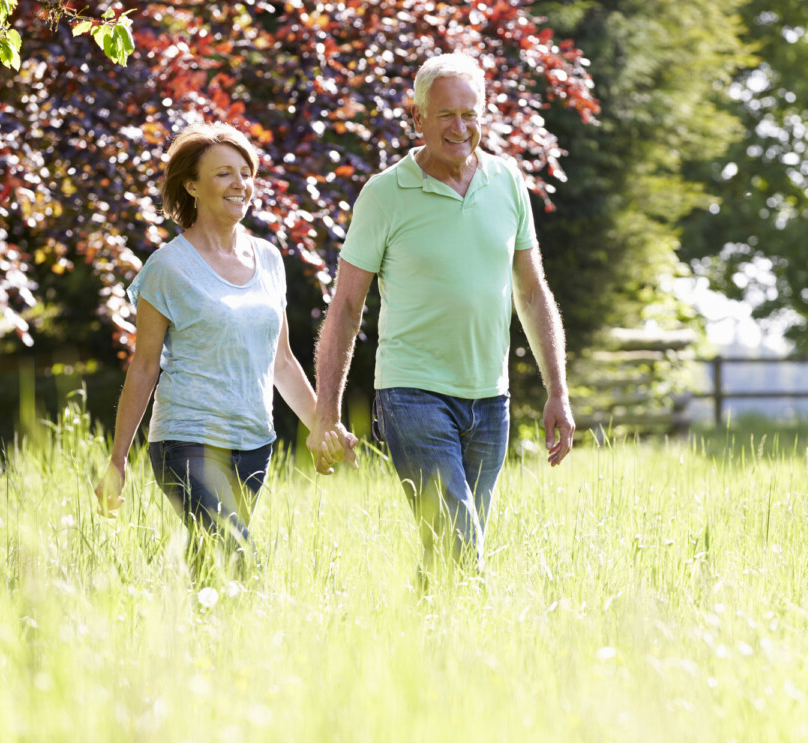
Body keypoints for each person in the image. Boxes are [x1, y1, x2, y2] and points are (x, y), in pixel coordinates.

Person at [307, 52, 574, 576]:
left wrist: (557, 389)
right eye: (447, 114)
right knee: (458, 538)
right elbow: (345, 307)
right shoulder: (384, 195)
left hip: (489, 399)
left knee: (451, 544)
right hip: (412, 393)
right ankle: (478, 642)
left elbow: (533, 291)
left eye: (470, 114)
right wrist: (327, 414)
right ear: (417, 119)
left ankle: (426, 647)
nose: (460, 127)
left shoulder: (507, 182)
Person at [94, 121, 355, 573]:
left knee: (211, 569)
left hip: (254, 441)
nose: (240, 184)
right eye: (223, 174)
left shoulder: (269, 259)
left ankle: (177, 636)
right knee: (239, 557)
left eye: (245, 172)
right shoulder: (168, 267)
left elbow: (282, 361)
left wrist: (323, 427)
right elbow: (143, 368)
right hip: (187, 438)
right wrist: (118, 460)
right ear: (192, 186)